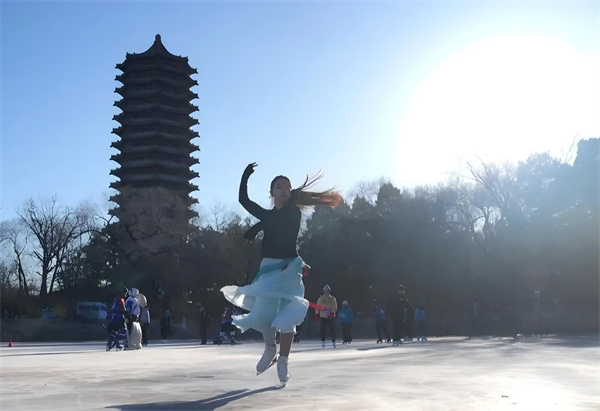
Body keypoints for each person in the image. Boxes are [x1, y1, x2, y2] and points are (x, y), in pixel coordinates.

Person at [221, 162, 341, 387]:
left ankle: (283, 359)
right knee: (264, 315)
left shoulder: (293, 213)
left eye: (287, 187)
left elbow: (276, 222)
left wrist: (256, 228)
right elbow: (243, 201)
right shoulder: (269, 215)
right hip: (268, 269)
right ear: (272, 193)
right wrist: (245, 175)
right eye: (279, 187)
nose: (284, 190)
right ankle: (270, 349)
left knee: (287, 318)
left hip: (289, 269)